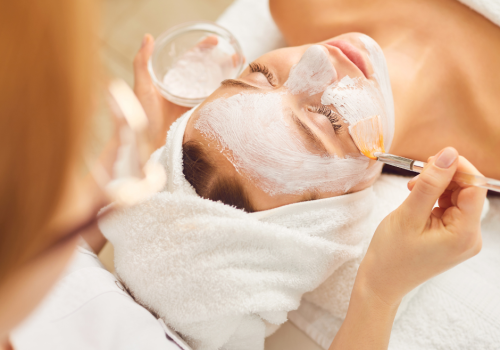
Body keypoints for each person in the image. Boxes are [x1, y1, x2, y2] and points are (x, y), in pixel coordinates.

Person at [0, 2, 487, 350]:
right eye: (325, 123)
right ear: (344, 208)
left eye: (258, 74)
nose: (315, 59)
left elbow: (50, 252)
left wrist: (144, 146)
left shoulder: (305, 9)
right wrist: (378, 290)